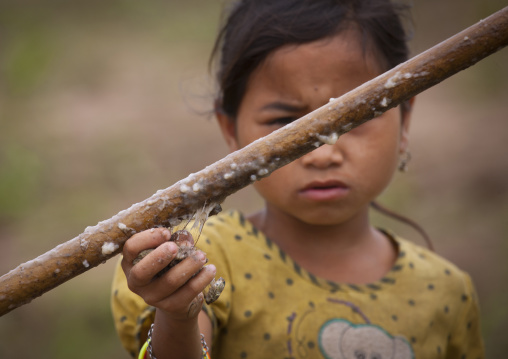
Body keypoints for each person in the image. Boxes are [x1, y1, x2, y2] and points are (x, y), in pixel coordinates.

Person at [111, 0, 485, 358]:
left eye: (357, 118)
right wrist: (177, 314)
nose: (323, 154)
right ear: (232, 132)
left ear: (405, 119)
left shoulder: (448, 293)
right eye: (284, 123)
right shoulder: (202, 258)